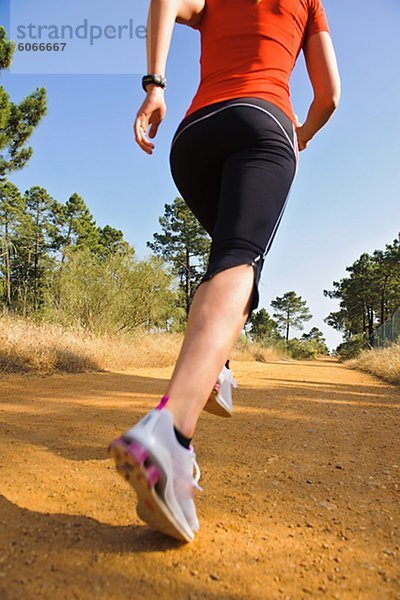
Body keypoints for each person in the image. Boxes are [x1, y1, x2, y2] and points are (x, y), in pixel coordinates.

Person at [108, 0, 341, 542]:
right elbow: (329, 94)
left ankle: (217, 369)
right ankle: (170, 431)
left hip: (194, 136)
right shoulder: (309, 2)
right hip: (264, 121)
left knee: (225, 261)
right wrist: (299, 135)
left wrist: (155, 86)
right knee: (241, 259)